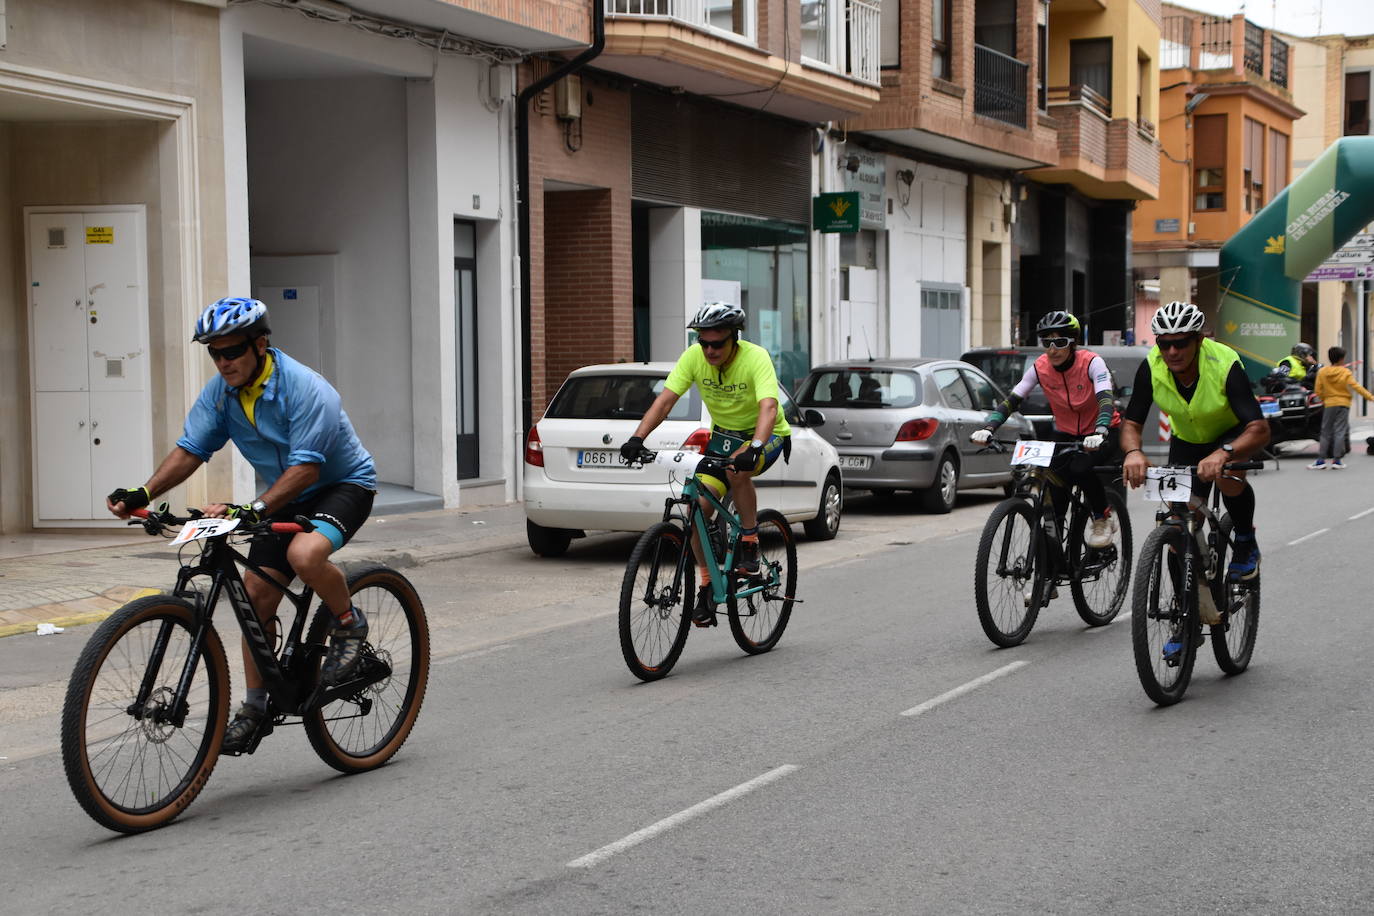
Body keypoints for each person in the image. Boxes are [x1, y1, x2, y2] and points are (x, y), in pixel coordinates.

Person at [107, 297, 378, 754]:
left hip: (341, 485)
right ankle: (255, 708)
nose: (223, 361)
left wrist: (252, 508)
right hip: (283, 493)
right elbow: (192, 448)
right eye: (215, 353)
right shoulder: (222, 393)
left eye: (232, 351)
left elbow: (308, 468)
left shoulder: (307, 389)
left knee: (305, 554)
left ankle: (348, 623)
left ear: (260, 344)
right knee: (254, 599)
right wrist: (145, 493)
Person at [620, 303, 791, 627]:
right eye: (704, 343)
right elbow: (665, 401)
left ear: (734, 339)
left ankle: (750, 543)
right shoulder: (693, 358)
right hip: (724, 436)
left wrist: (755, 447)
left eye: (718, 343)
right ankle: (708, 584)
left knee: (737, 470)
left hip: (766, 434)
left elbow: (768, 406)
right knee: (697, 507)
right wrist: (637, 438)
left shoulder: (755, 357)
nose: (710, 350)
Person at [1120, 300, 1269, 646]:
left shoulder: (1224, 363)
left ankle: (1245, 541)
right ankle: (1185, 616)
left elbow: (1259, 428)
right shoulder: (1152, 366)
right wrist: (1133, 451)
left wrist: (1225, 452)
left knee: (1227, 475)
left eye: (1181, 342)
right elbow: (1131, 422)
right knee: (1177, 529)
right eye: (1164, 342)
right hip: (1187, 441)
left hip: (1231, 436)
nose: (1172, 351)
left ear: (1198, 340)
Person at [970, 311, 1123, 549]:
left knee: (1081, 466)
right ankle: (1051, 565)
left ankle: (1102, 517)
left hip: (1102, 431)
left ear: (1072, 343)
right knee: (1054, 482)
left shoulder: (1092, 363)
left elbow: (1105, 399)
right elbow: (1012, 400)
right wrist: (989, 427)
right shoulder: (1040, 367)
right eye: (1046, 343)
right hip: (1066, 432)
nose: (1052, 349)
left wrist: (1101, 429)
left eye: (1060, 342)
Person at [1310, 345, 1373, 469]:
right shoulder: (1345, 372)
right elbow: (1356, 387)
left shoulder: (1322, 372)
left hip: (1329, 403)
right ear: (1341, 359)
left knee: (1325, 432)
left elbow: (1318, 389)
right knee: (1340, 431)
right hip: (1343, 404)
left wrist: (1325, 399)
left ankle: (1321, 460)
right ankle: (1337, 461)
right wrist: (1370, 397)